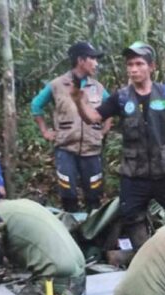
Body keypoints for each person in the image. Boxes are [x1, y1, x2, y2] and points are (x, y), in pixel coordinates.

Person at [73, 41, 165, 249]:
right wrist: (79, 101)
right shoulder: (121, 98)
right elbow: (93, 117)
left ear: (152, 67)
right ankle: (146, 256)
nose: (133, 69)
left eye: (139, 64)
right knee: (131, 217)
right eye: (130, 64)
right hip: (135, 174)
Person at [31, 42, 113, 212]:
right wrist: (45, 131)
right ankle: (70, 228)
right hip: (66, 148)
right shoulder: (57, 85)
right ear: (81, 60)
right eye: (93, 59)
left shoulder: (98, 87)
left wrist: (104, 130)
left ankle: (93, 231)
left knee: (94, 193)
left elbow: (110, 108)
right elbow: (36, 106)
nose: (96, 64)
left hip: (92, 149)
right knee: (67, 192)